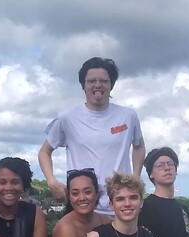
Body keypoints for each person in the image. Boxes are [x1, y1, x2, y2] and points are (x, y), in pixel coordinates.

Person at [39, 57, 146, 214]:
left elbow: (139, 146)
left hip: (119, 206)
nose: (97, 85)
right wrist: (51, 180)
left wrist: (136, 176)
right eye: (91, 81)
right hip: (82, 206)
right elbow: (45, 152)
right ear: (83, 85)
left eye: (103, 80)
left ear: (111, 85)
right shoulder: (67, 118)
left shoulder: (128, 116)